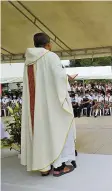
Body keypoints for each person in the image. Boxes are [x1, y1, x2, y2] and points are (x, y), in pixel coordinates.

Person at [21, 33, 76, 177]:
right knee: (58, 129)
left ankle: (44, 167)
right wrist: (68, 79)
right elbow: (59, 79)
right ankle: (59, 167)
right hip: (50, 105)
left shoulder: (28, 62)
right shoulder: (51, 56)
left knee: (41, 132)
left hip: (36, 107)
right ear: (48, 44)